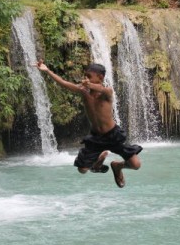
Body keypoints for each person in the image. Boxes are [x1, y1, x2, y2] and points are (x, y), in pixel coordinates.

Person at [36, 60, 142, 188]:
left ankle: (117, 166)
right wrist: (47, 70)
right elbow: (64, 83)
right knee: (82, 169)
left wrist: (89, 85)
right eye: (85, 76)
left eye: (89, 76)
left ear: (100, 77)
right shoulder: (83, 91)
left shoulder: (107, 93)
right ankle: (97, 163)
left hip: (113, 135)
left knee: (136, 165)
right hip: (96, 137)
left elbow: (103, 89)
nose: (85, 79)